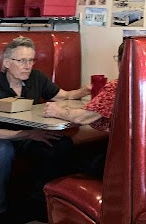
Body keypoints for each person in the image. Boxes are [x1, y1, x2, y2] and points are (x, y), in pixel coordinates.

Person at [0, 37, 91, 222]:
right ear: (7, 63)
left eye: (31, 60)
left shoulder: (36, 78)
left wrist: (86, 90)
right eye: (22, 61)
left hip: (22, 137)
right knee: (3, 150)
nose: (28, 66)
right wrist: (29, 134)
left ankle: (38, 203)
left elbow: (64, 95)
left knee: (60, 144)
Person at [43, 42, 124, 177]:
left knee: (61, 156)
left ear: (122, 61)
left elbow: (82, 117)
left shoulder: (117, 87)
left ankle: (42, 194)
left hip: (120, 160)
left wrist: (58, 112)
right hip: (145, 158)